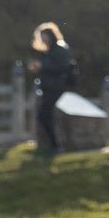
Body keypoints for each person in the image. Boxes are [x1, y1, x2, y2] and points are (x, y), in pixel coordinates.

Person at [30, 22, 76, 157]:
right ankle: (53, 145)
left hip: (56, 88)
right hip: (49, 87)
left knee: (44, 116)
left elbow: (62, 67)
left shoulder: (60, 49)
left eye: (44, 36)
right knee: (45, 116)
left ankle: (56, 146)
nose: (42, 40)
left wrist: (42, 66)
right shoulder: (51, 50)